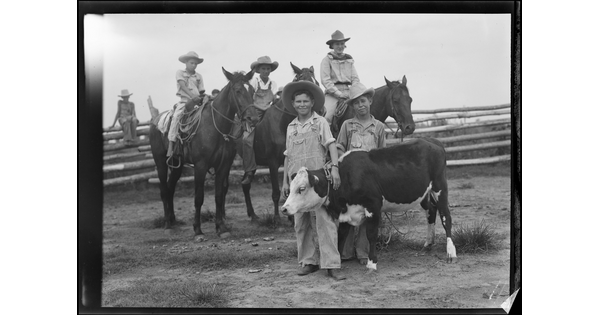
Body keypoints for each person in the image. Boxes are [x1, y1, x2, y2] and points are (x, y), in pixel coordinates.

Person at [281, 81, 345, 280]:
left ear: (312, 103)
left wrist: (335, 168)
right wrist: (285, 181)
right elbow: (288, 155)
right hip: (297, 183)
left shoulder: (320, 122)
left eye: (305, 101)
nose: (302, 105)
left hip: (318, 182)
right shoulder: (291, 127)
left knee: (325, 222)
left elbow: (331, 145)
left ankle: (331, 264)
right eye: (298, 101)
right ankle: (308, 261)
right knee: (301, 223)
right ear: (293, 104)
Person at [335, 83, 387, 265]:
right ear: (352, 106)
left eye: (363, 101)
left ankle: (363, 251)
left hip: (371, 180)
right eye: (356, 103)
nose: (360, 105)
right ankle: (346, 252)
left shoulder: (379, 127)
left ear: (370, 101)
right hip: (351, 180)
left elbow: (382, 154)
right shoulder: (347, 126)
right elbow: (339, 147)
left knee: (368, 214)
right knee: (349, 214)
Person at [241, 56, 279, 185]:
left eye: (268, 68)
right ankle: (250, 170)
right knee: (247, 139)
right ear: (258, 70)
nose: (266, 71)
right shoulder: (254, 82)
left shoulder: (273, 83)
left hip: (269, 111)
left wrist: (269, 108)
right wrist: (260, 107)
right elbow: (249, 99)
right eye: (263, 68)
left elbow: (273, 99)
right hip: (255, 111)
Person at [167, 51, 205, 158]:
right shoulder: (180, 73)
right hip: (184, 101)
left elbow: (201, 91)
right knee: (176, 117)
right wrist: (192, 96)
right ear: (186, 62)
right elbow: (183, 86)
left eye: (195, 64)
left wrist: (204, 97)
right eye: (192, 63)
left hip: (197, 101)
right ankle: (171, 143)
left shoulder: (199, 76)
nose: (194, 65)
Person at [320, 30, 361, 125]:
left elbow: (355, 78)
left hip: (349, 91)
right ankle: (326, 138)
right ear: (332, 45)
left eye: (342, 43)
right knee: (326, 117)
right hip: (333, 93)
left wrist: (354, 90)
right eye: (337, 44)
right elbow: (325, 80)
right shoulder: (326, 60)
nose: (340, 46)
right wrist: (339, 94)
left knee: (364, 109)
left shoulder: (349, 59)